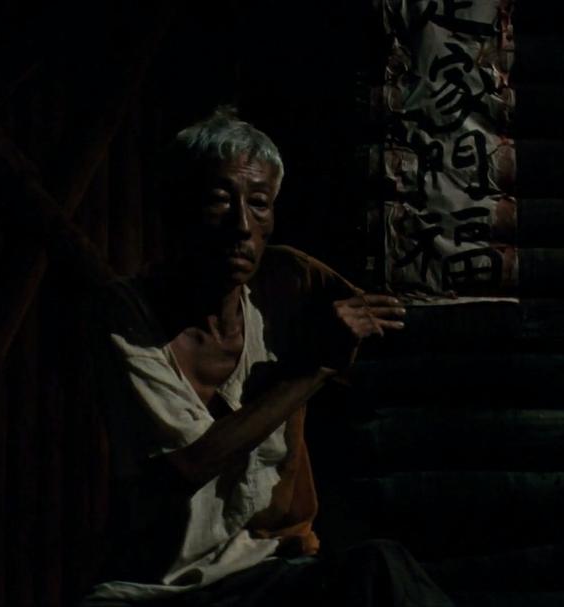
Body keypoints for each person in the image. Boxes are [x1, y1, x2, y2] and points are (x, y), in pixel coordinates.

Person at [80, 108, 454, 606]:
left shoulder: (285, 288)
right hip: (161, 589)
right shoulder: (126, 317)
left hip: (266, 570)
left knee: (379, 568)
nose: (242, 225)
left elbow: (388, 321)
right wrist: (316, 368)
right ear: (175, 211)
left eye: (259, 204)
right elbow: (188, 466)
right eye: (218, 200)